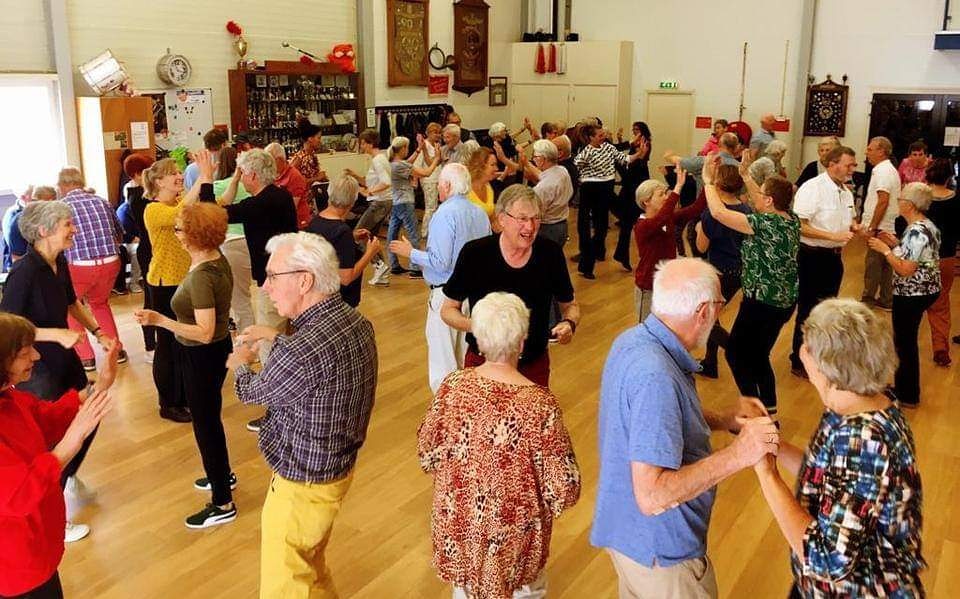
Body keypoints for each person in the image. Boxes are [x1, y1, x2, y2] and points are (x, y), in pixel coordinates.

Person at [592, 257, 779, 599]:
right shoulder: (656, 376)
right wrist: (740, 454)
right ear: (703, 311)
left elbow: (656, 419)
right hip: (662, 556)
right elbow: (653, 496)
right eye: (721, 305)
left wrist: (723, 419)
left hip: (627, 535)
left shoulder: (633, 341)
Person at [226, 232, 377, 599]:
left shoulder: (301, 351)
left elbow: (252, 391)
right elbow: (316, 364)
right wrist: (274, 340)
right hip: (336, 471)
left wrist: (239, 364)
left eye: (273, 277)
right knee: (309, 565)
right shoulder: (356, 323)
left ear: (304, 280)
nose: (265, 287)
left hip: (302, 485)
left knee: (286, 584)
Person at [753, 299, 925, 598]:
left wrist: (766, 474)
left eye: (807, 346)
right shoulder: (854, 401)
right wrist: (771, 442)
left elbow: (826, 559)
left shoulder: (864, 440)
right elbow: (823, 475)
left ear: (827, 367)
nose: (801, 352)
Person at [418, 292, 580, 599]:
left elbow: (427, 455)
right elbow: (564, 491)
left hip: (460, 534)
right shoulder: (540, 404)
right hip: (515, 549)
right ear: (521, 343)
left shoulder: (452, 388)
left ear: (478, 340)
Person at [0, 198, 121, 543]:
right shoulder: (24, 272)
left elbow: (71, 303)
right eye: (67, 224)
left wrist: (98, 332)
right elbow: (8, 325)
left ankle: (65, 475)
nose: (74, 229)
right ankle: (55, 501)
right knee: (50, 430)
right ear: (43, 231)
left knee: (88, 413)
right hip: (36, 364)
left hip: (63, 356)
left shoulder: (60, 261)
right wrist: (55, 333)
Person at [134, 202, 237, 529]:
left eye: (178, 229)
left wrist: (159, 320)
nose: (175, 234)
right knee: (210, 418)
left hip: (202, 354)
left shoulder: (203, 277)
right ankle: (221, 474)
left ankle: (222, 502)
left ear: (193, 236)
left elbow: (204, 332)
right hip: (215, 350)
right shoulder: (216, 259)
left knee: (205, 425)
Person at [0, 312, 117, 598]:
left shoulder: (10, 398)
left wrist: (99, 385)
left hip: (35, 550)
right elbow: (19, 494)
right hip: (15, 567)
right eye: (26, 352)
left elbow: (47, 417)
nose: (37, 357)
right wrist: (71, 441)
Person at [441, 185, 579, 386]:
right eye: (522, 218)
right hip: (483, 364)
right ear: (502, 219)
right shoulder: (475, 254)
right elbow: (448, 310)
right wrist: (483, 327)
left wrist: (569, 324)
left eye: (536, 218)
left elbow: (570, 305)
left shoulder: (550, 254)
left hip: (533, 366)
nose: (530, 227)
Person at [704, 156, 799, 415]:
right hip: (783, 301)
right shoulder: (791, 219)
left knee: (735, 355)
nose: (753, 196)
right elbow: (760, 199)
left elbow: (718, 213)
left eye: (761, 193)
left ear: (769, 200)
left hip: (762, 303)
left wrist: (707, 182)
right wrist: (746, 175)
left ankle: (755, 414)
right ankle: (770, 412)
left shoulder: (764, 224)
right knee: (758, 357)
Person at [390, 163, 491, 392]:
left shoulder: (444, 214)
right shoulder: (480, 213)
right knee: (467, 356)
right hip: (474, 294)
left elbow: (440, 262)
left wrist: (411, 253)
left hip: (446, 294)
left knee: (443, 359)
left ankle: (446, 409)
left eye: (439, 185)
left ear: (446, 185)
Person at [142, 156, 211, 423]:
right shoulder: (154, 209)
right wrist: (202, 178)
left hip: (184, 279)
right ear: (159, 181)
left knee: (185, 341)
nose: (180, 176)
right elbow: (178, 214)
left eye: (181, 172)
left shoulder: (179, 204)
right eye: (174, 173)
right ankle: (168, 403)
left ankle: (183, 397)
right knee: (169, 344)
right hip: (164, 283)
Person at [867, 182, 941, 407]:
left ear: (909, 205)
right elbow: (916, 257)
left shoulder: (916, 232)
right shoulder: (927, 226)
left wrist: (885, 250)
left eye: (900, 199)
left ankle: (908, 394)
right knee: (905, 340)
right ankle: (905, 387)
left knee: (905, 342)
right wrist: (897, 244)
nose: (898, 202)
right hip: (927, 289)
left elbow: (905, 269)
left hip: (912, 292)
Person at [788, 146, 858, 378]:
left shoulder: (846, 192)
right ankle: (799, 360)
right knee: (808, 311)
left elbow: (849, 221)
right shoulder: (813, 188)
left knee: (827, 311)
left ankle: (818, 357)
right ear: (832, 164)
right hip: (812, 257)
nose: (852, 169)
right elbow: (800, 224)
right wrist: (832, 236)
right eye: (849, 164)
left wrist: (857, 228)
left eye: (853, 165)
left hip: (834, 259)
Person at [57, 167, 126, 371]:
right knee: (100, 304)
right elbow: (119, 233)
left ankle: (85, 356)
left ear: (63, 185)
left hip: (80, 266)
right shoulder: (102, 201)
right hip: (112, 262)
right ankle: (116, 350)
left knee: (71, 307)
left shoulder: (61, 207)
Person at [695, 164, 751, 378]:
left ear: (717, 184)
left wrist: (701, 228)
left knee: (706, 318)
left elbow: (701, 247)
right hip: (739, 272)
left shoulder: (712, 214)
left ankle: (737, 352)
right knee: (713, 316)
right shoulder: (747, 211)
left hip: (719, 272)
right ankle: (710, 364)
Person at [572, 124, 644, 279]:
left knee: (606, 227)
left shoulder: (609, 148)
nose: (603, 137)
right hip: (590, 190)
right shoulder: (586, 151)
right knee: (587, 228)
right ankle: (587, 266)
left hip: (606, 189)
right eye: (599, 135)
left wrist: (639, 154)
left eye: (603, 134)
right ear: (591, 138)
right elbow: (575, 166)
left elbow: (625, 158)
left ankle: (615, 255)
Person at [632, 170, 703, 322]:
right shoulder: (642, 226)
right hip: (649, 286)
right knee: (646, 331)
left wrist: (708, 181)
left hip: (667, 285)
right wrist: (677, 188)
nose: (666, 197)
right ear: (646, 201)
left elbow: (696, 208)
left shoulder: (668, 219)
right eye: (661, 194)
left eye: (666, 193)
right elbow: (660, 219)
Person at [307, 176, 381, 308]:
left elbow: (329, 247)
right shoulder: (341, 231)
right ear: (353, 201)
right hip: (338, 302)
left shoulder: (315, 222)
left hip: (317, 296)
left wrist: (351, 237)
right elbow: (346, 278)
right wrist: (370, 253)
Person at [212, 146, 254, 334]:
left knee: (240, 299)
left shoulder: (218, 186)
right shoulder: (249, 183)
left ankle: (248, 345)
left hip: (231, 243)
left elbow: (214, 209)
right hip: (252, 240)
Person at [922, 159, 959, 366]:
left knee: (911, 304)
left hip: (921, 258)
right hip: (946, 258)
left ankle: (902, 346)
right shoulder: (957, 201)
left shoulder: (922, 200)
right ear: (949, 177)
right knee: (941, 304)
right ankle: (940, 348)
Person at [386, 135, 439, 276]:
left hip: (396, 202)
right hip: (405, 203)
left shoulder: (392, 163)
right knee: (414, 234)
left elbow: (407, 163)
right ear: (403, 148)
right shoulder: (400, 165)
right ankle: (415, 268)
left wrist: (418, 149)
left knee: (392, 234)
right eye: (407, 148)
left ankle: (394, 264)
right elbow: (426, 173)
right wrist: (437, 160)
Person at [345, 129, 393, 286]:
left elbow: (385, 181)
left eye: (363, 143)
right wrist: (355, 177)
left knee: (359, 235)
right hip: (381, 202)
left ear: (370, 143)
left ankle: (379, 265)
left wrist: (368, 191)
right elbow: (372, 181)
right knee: (370, 236)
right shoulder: (379, 159)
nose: (361, 146)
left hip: (379, 203)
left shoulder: (378, 160)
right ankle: (382, 270)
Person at [122, 153, 157, 361]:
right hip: (148, 250)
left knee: (157, 298)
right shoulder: (137, 196)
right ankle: (150, 346)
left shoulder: (143, 193)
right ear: (137, 174)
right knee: (151, 299)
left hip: (154, 249)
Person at [860, 136, 900, 311]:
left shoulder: (883, 171)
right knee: (886, 265)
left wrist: (872, 227)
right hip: (887, 225)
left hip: (881, 226)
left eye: (870, 149)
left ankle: (868, 299)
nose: (866, 152)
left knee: (873, 264)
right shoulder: (888, 169)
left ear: (881, 151)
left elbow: (883, 200)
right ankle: (886, 299)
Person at [612, 122, 652, 271]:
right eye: (633, 130)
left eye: (637, 130)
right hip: (630, 187)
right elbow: (627, 161)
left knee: (631, 223)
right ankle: (622, 254)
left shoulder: (645, 144)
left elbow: (637, 164)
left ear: (643, 132)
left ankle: (623, 254)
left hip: (636, 186)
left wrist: (638, 154)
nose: (635, 133)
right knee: (627, 223)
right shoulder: (636, 146)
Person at [530, 139, 574, 249]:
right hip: (562, 227)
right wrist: (526, 163)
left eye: (535, 157)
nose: (533, 160)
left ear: (542, 159)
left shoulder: (542, 188)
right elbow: (543, 175)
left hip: (547, 231)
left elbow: (537, 215)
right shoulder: (562, 171)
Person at [3, 186, 57, 271]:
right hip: (29, 270)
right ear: (50, 201)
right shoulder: (20, 220)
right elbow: (17, 258)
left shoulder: (18, 217)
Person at [264, 142, 310, 230]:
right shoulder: (272, 175)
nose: (268, 165)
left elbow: (291, 207)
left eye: (270, 161)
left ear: (280, 159)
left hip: (298, 226)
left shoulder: (294, 176)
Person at [417, 122, 443, 237]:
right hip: (429, 180)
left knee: (435, 206)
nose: (437, 135)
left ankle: (433, 228)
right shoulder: (425, 145)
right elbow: (427, 163)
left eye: (439, 133)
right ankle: (425, 231)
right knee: (430, 206)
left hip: (437, 178)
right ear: (428, 133)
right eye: (434, 132)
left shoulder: (437, 145)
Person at [289, 119, 328, 188]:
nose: (320, 141)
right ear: (310, 139)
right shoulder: (299, 158)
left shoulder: (312, 154)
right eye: (318, 138)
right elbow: (293, 181)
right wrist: (317, 178)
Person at [465, 146, 498, 220]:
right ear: (480, 166)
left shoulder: (488, 186)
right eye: (492, 165)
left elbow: (489, 213)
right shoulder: (465, 190)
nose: (496, 168)